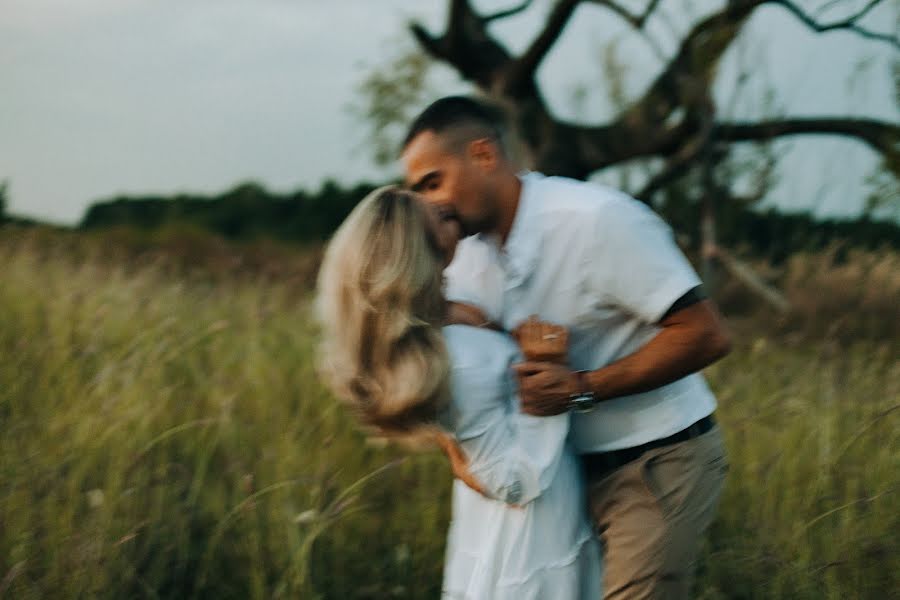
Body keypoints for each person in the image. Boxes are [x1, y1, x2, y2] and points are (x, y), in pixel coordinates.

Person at [401, 96, 732, 600]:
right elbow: (449, 355)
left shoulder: (596, 220)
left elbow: (705, 333)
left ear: (484, 155)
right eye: (419, 192)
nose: (430, 204)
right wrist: (454, 447)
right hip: (556, 481)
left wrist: (582, 388)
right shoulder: (461, 254)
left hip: (655, 461)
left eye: (433, 182)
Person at [315, 186, 601, 599]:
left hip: (498, 525)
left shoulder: (439, 332)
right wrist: (545, 376)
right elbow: (514, 482)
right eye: (443, 218)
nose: (455, 216)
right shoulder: (461, 359)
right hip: (532, 535)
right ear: (421, 249)